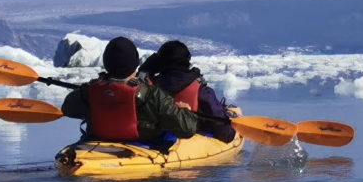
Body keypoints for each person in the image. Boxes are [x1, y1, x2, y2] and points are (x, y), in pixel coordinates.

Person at [60, 36, 201, 145]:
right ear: (134, 63)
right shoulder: (152, 95)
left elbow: (68, 109)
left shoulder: (89, 91)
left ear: (106, 62)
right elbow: (187, 129)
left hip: (98, 142)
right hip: (141, 148)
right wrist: (186, 111)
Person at [139, 38, 237, 144]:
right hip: (192, 140)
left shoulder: (148, 88)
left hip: (154, 137)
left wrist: (146, 67)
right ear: (187, 61)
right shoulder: (202, 91)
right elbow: (227, 135)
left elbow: (138, 78)